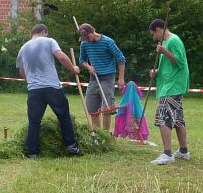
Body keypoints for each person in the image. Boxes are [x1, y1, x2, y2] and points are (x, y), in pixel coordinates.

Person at [16, 23, 82, 159]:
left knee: (34, 122)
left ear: (32, 33)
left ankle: (32, 153)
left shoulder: (23, 48)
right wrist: (73, 69)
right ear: (44, 32)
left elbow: (22, 71)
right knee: (64, 117)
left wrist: (30, 82)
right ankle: (71, 147)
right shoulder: (49, 41)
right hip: (52, 87)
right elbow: (62, 57)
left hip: (34, 90)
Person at [148, 18, 190, 165]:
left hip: (173, 86)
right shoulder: (166, 43)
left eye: (154, 34)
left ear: (159, 29)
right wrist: (157, 71)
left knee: (162, 118)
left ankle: (167, 154)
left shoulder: (173, 41)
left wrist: (164, 51)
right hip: (169, 84)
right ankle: (184, 151)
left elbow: (180, 62)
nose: (154, 37)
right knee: (178, 119)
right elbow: (170, 65)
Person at [77, 23, 126, 132]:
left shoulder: (108, 42)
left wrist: (121, 78)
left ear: (92, 32)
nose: (87, 40)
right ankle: (98, 136)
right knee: (92, 110)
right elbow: (82, 60)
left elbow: (121, 59)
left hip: (108, 79)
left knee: (107, 109)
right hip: (94, 79)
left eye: (88, 37)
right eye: (84, 39)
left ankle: (105, 135)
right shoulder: (84, 43)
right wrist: (88, 67)